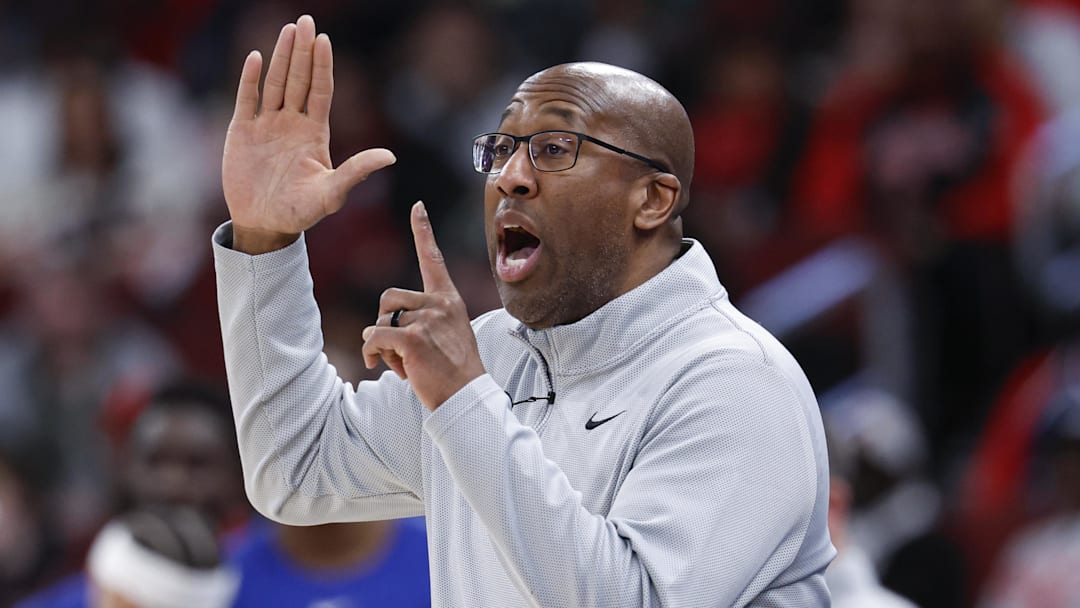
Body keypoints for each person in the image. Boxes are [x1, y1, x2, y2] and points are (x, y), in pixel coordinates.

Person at [214, 14, 833, 607]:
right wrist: (265, 242)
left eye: (555, 148)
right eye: (502, 148)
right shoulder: (495, 353)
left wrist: (463, 398)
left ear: (652, 199)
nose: (510, 176)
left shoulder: (735, 380)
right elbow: (296, 468)